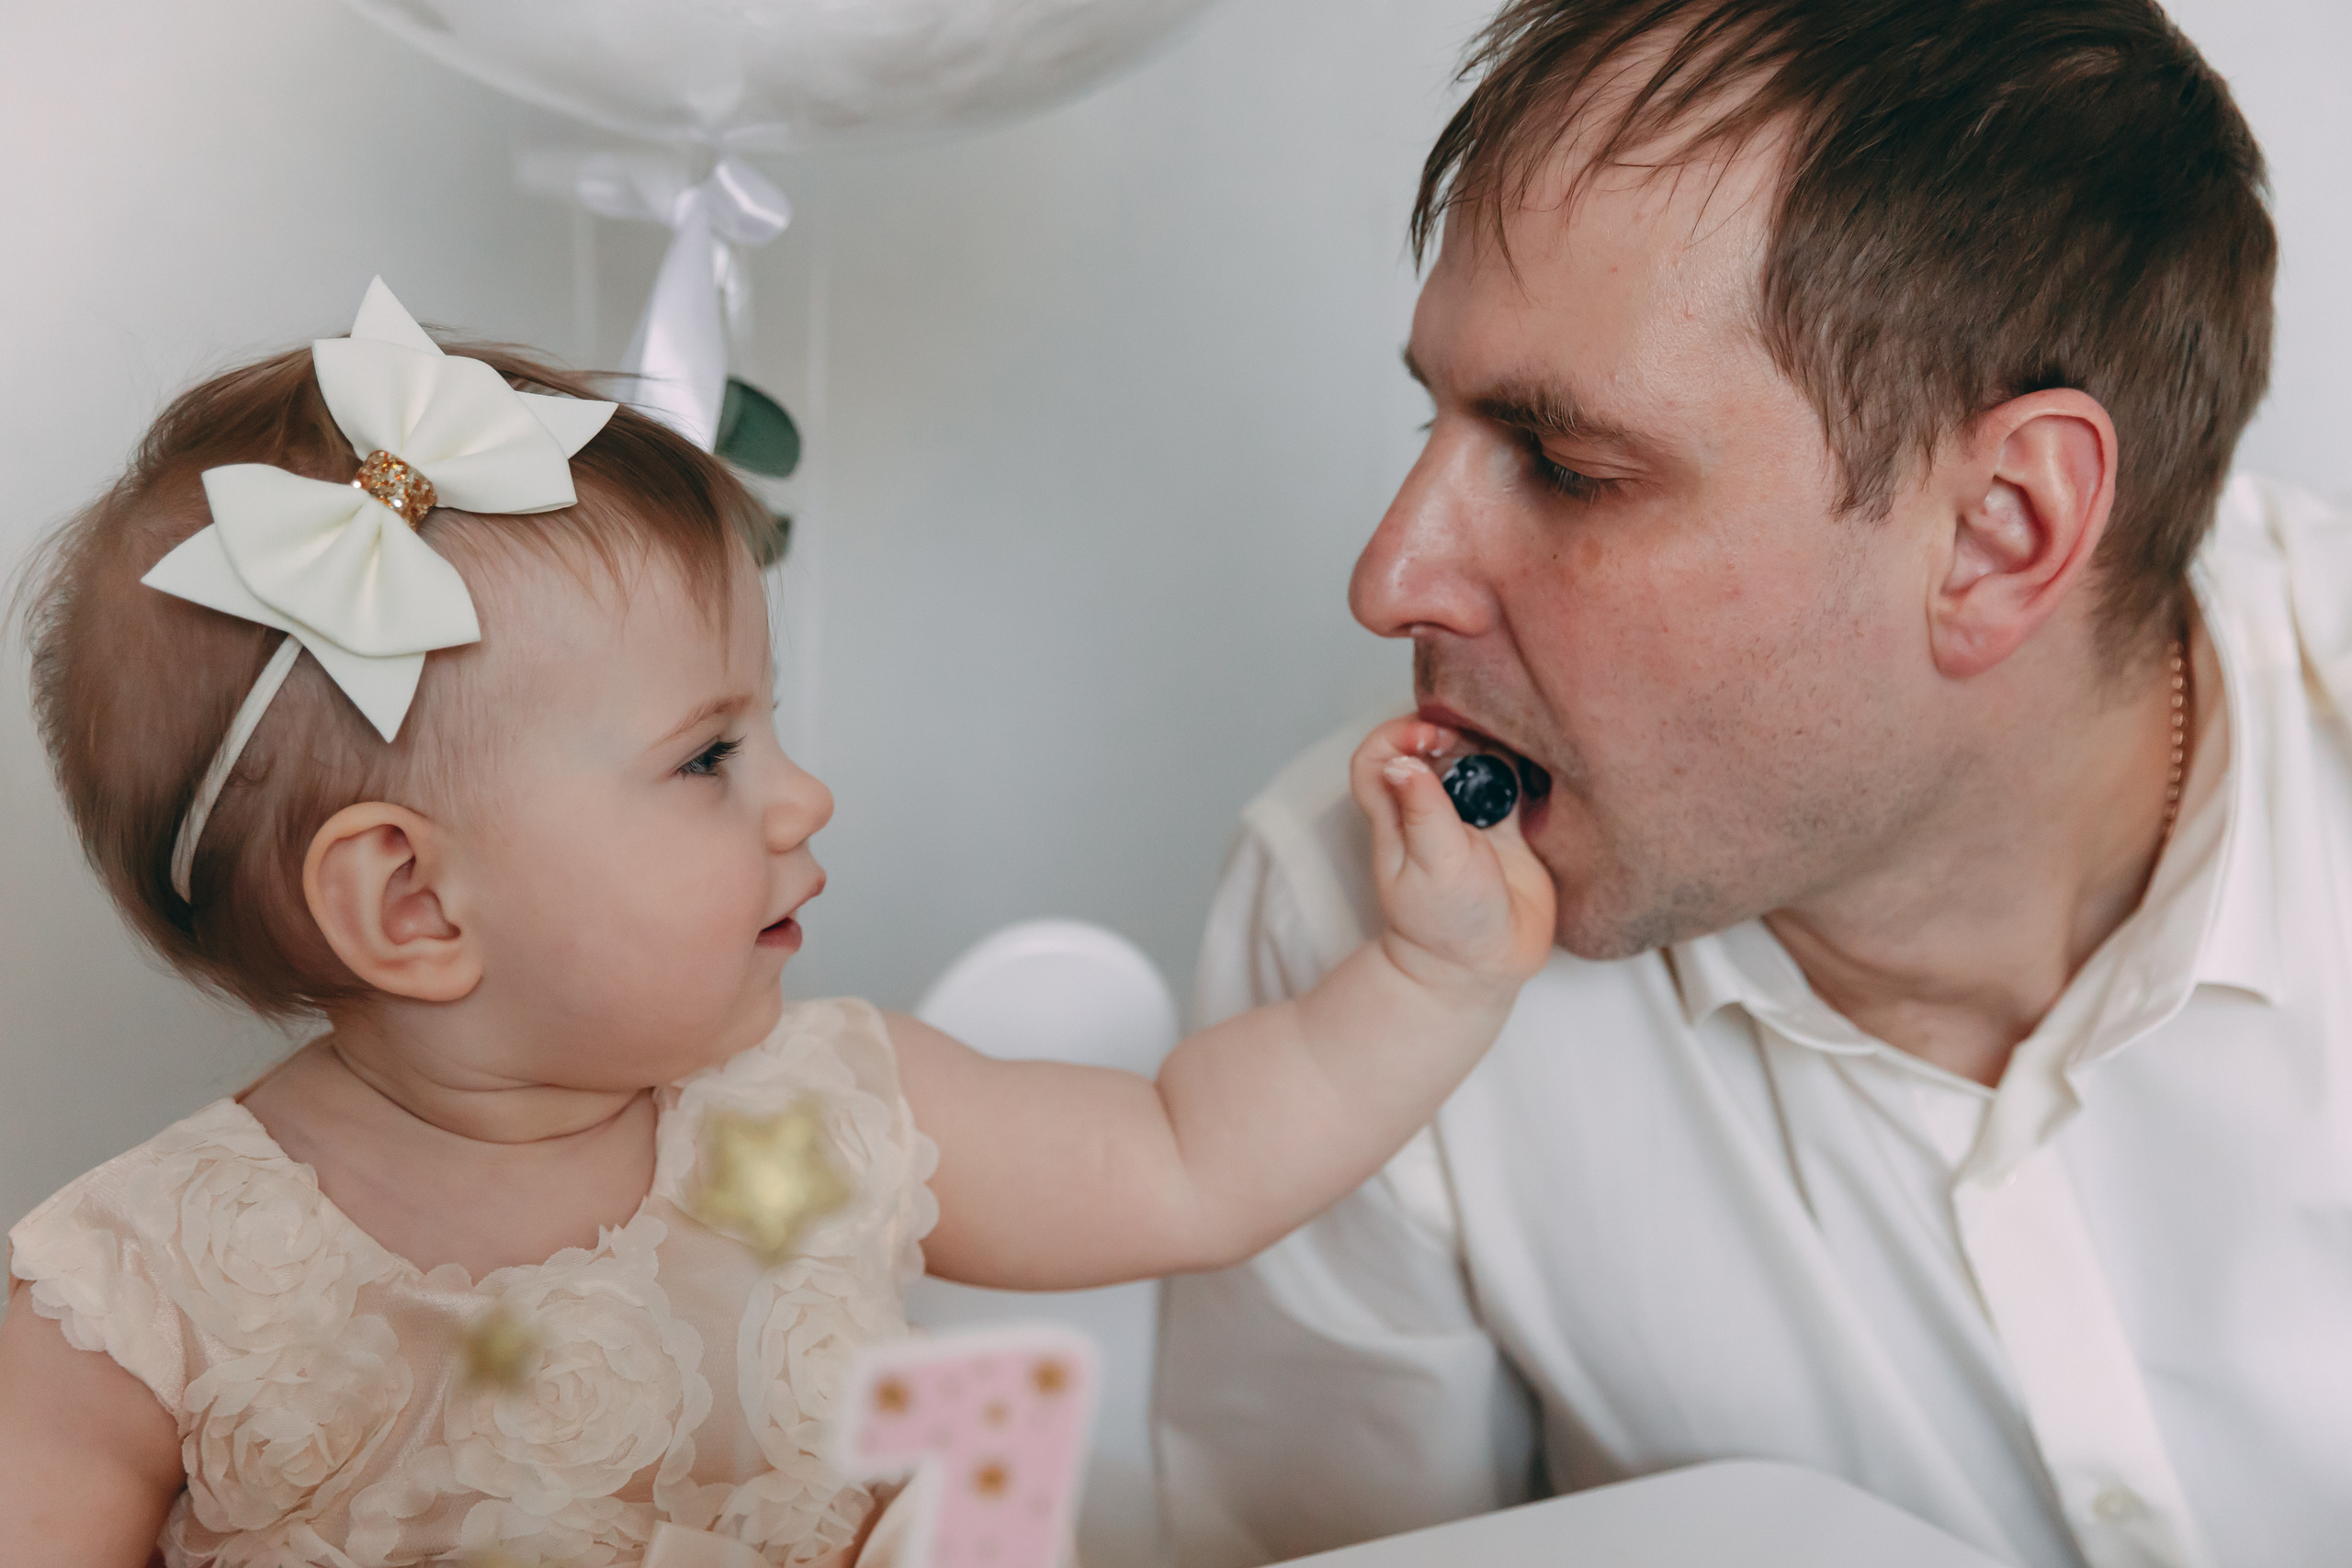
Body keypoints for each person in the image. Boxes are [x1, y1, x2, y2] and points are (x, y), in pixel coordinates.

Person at [0, 280, 1555, 1567]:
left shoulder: (824, 1110)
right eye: (709, 757)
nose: (802, 797)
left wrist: (1430, 973)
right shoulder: (126, 1305)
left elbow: (1189, 1157)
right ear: (412, 902)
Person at [1154, 3, 2350, 1566]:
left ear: (2002, 529)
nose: (1392, 580)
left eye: (1569, 468)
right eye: (1431, 418)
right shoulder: (1343, 934)